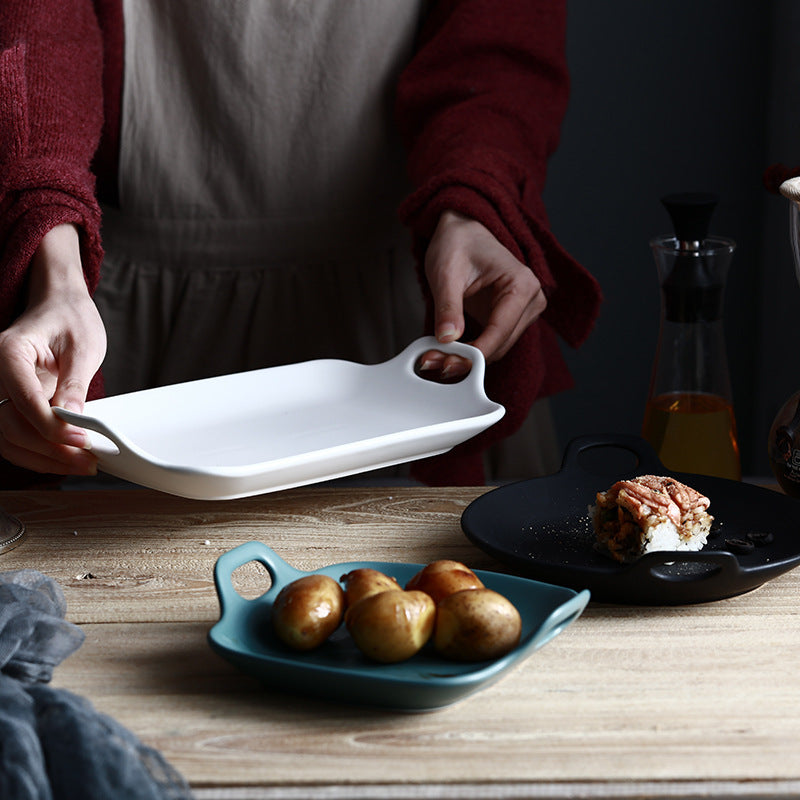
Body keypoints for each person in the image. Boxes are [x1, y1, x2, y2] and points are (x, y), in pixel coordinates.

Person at [0, 0, 601, 489]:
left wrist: (474, 204)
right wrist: (54, 266)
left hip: (400, 316)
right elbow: (37, 33)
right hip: (118, 323)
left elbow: (500, 51)